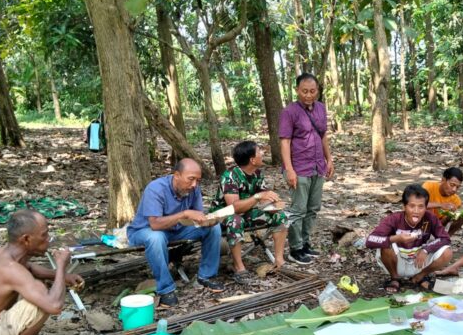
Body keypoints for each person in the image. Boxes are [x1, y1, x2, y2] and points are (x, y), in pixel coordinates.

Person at [127, 158, 224, 308]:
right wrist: (183, 214)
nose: (194, 185)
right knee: (156, 238)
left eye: (197, 180)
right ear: (176, 175)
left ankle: (206, 276)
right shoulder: (156, 188)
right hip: (145, 230)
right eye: (191, 179)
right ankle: (166, 289)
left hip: (177, 230)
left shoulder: (193, 188)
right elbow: (155, 224)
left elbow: (196, 216)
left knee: (214, 229)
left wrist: (209, 221)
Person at [210, 141, 288, 284]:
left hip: (247, 212)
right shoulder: (230, 176)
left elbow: (263, 196)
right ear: (252, 159)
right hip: (222, 215)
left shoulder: (257, 173)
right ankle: (238, 267)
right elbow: (233, 208)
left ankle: (279, 260)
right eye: (259, 151)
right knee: (236, 220)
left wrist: (273, 203)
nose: (263, 153)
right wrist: (257, 197)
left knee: (280, 216)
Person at [279, 73, 335, 265]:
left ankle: (305, 244)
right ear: (297, 90)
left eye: (312, 91)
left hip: (318, 165)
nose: (309, 95)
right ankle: (295, 249)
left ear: (318, 91)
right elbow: (285, 142)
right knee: (298, 209)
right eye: (304, 91)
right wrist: (289, 169)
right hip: (299, 167)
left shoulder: (321, 108)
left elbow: (323, 135)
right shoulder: (289, 112)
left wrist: (329, 159)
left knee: (313, 208)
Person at [366, 184, 452, 293]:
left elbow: (445, 238)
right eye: (412, 206)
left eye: (421, 206)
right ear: (404, 207)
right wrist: (396, 238)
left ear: (426, 207)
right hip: (397, 263)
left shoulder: (430, 218)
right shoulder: (394, 219)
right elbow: (370, 240)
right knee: (386, 245)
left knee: (447, 252)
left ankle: (420, 277)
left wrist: (426, 249)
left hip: (419, 261)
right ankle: (395, 278)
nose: (416, 211)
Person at [422, 167, 463, 236]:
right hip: (421, 222)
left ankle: (447, 237)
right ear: (443, 180)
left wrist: (449, 216)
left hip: (437, 225)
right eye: (452, 185)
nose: (454, 189)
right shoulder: (429, 186)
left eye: (457, 187)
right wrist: (441, 205)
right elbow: (418, 204)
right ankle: (423, 235)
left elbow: (442, 223)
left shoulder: (456, 200)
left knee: (462, 216)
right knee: (428, 209)